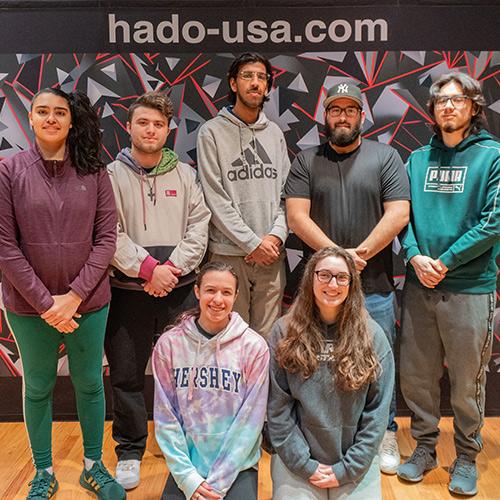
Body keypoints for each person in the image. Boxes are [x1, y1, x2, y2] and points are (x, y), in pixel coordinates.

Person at [0, 88, 125, 499]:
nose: (51, 119)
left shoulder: (94, 171)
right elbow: (5, 246)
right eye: (43, 112)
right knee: (37, 386)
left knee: (90, 384)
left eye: (60, 113)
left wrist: (72, 297)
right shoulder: (8, 171)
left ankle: (93, 466)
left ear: (71, 121)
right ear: (31, 119)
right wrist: (46, 303)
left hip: (87, 304)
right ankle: (42, 471)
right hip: (28, 307)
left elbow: (107, 239)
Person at [284, 82, 410, 473]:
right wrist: (337, 259)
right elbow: (296, 217)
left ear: (361, 115)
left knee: (378, 365)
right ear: (325, 115)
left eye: (350, 110)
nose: (342, 116)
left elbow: (399, 214)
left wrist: (359, 256)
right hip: (318, 291)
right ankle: (315, 435)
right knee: (316, 366)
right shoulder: (306, 160)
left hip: (373, 288)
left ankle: (386, 431)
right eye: (335, 109)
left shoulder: (385, 157)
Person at [397, 72, 499, 496]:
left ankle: (467, 456)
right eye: (441, 102)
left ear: (473, 107)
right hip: (421, 285)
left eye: (457, 101)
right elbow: (401, 218)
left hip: (470, 288)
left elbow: (494, 222)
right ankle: (423, 447)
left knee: (466, 381)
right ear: (433, 111)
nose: (448, 108)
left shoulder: (492, 157)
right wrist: (415, 256)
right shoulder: (417, 160)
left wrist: (446, 260)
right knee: (418, 378)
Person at [105, 91, 211, 490]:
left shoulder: (185, 175)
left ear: (169, 131)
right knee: (127, 375)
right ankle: (130, 450)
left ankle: (184, 445)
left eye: (159, 124)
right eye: (143, 123)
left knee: (185, 375)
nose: (151, 130)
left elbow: (199, 226)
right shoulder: (110, 177)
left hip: (180, 291)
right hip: (127, 292)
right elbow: (107, 233)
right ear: (129, 127)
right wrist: (148, 270)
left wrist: (171, 270)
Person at [267, 246, 394, 499]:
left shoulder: (373, 336)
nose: (332, 284)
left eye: (341, 277)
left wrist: (348, 469)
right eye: (324, 275)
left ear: (351, 283)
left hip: (354, 460)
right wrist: (305, 465)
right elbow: (278, 411)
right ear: (310, 279)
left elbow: (377, 415)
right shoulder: (284, 332)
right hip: (298, 458)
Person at [153, 261, 269, 500]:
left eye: (226, 292)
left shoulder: (254, 347)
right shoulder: (169, 344)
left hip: (236, 466)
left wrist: (217, 484)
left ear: (236, 295)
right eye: (210, 290)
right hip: (188, 465)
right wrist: (188, 478)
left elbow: (251, 422)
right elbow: (166, 418)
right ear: (197, 291)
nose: (218, 300)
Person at [197, 52, 290, 338]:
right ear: (234, 83)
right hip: (228, 257)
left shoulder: (275, 134)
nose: (255, 83)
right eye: (248, 76)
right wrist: (251, 243)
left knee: (266, 342)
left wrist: (274, 237)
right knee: (228, 340)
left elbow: (288, 195)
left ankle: (262, 387)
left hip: (271, 258)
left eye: (262, 77)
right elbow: (215, 198)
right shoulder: (211, 132)